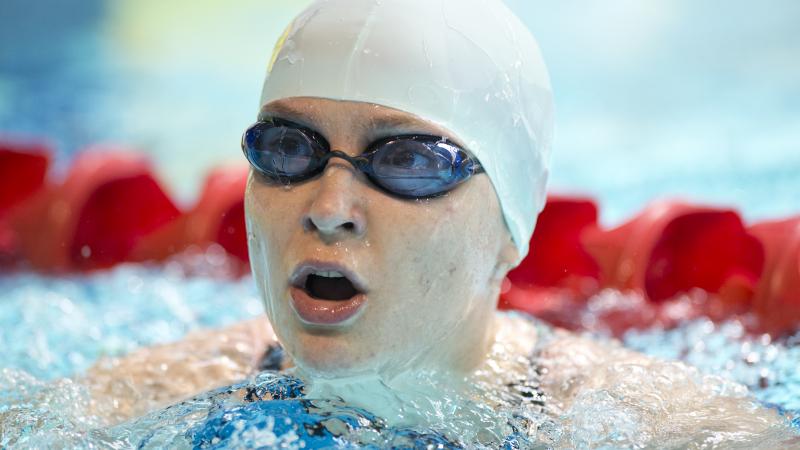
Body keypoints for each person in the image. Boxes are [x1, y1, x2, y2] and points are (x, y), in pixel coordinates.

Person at [82, 0, 795, 447]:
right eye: (288, 149)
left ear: (510, 224)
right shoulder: (156, 396)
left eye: (410, 162)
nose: (328, 209)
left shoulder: (656, 430)